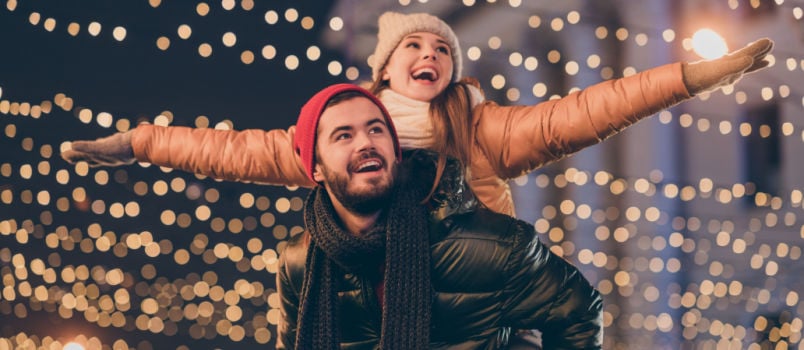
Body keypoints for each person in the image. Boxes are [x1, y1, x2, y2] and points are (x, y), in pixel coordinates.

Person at [60, 11, 775, 218]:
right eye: (415, 45)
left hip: (473, 301)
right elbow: (233, 151)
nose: (431, 54)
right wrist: (140, 142)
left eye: (442, 48)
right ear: (386, 66)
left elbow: (587, 112)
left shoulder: (482, 129)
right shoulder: (338, 135)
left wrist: (691, 77)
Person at [276, 83, 602, 349]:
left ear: (394, 150)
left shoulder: (494, 244)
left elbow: (579, 311)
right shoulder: (298, 261)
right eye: (343, 135)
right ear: (315, 167)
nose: (365, 143)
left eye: (376, 130)